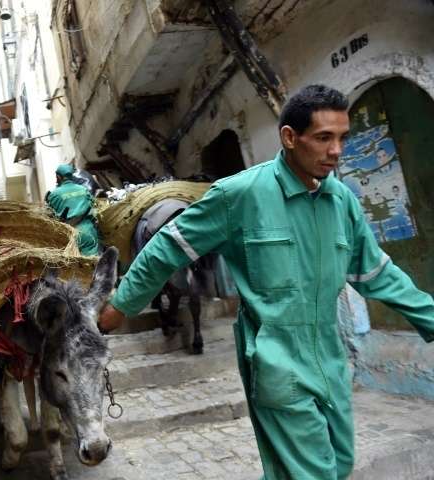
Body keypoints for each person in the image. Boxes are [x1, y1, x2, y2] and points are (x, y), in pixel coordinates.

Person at [97, 85, 433, 479]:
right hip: (276, 362)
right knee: (314, 473)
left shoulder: (342, 201)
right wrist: (121, 304)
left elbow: (377, 275)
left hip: (330, 358)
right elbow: (168, 247)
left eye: (343, 138)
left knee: (337, 466)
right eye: (323, 138)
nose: (337, 151)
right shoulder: (239, 195)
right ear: (290, 137)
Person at [46, 163, 100, 256]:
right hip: (88, 231)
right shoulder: (83, 189)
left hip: (68, 235)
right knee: (92, 263)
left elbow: (51, 216)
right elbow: (93, 207)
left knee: (73, 265)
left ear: (58, 177)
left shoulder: (54, 195)